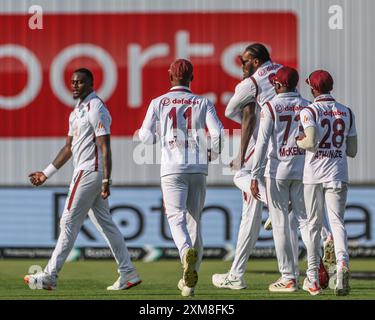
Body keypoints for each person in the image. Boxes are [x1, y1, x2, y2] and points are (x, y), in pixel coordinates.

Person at [24, 68, 141, 291]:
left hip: (90, 171)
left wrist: (107, 180)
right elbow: (68, 147)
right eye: (73, 82)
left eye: (80, 82)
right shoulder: (76, 111)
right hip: (86, 171)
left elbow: (105, 145)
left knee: (68, 221)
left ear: (90, 83)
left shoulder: (96, 107)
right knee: (105, 224)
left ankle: (49, 276)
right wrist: (45, 173)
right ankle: (128, 273)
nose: (75, 85)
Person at [139, 59, 224, 297]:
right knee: (195, 221)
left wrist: (158, 136)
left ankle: (185, 251)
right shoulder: (202, 102)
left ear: (169, 76)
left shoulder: (158, 103)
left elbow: (145, 136)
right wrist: (212, 154)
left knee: (176, 218)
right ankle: (189, 285)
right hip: (198, 167)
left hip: (172, 167)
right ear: (192, 77)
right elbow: (217, 132)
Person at [212, 43, 286, 289]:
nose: (241, 66)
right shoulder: (284, 72)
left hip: (268, 144)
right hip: (292, 145)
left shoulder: (250, 84)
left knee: (240, 174)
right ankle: (236, 274)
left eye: (244, 61)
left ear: (255, 61)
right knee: (250, 217)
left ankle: (269, 200)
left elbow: (237, 112)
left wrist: (243, 152)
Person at [250, 67, 311, 292]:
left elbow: (262, 143)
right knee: (306, 223)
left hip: (277, 172)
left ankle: (288, 277)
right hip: (303, 171)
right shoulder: (308, 105)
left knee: (280, 224)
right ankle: (313, 273)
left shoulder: (270, 106)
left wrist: (255, 174)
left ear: (278, 85)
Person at [297, 70, 357, 296]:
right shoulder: (347, 111)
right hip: (338, 172)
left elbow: (310, 141)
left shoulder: (309, 110)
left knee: (313, 225)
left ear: (313, 89)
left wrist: (299, 141)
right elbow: (352, 150)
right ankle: (342, 264)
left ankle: (312, 276)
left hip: (314, 175)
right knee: (337, 222)